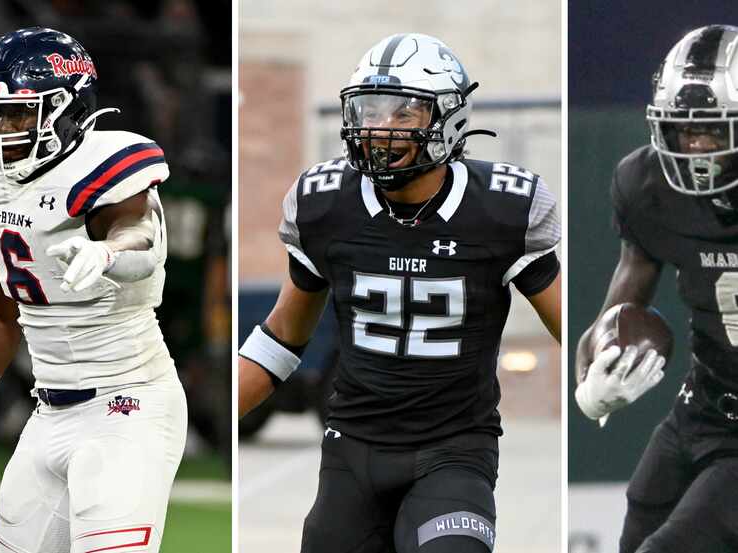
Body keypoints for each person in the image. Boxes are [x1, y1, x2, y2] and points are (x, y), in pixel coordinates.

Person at [239, 33, 561, 553]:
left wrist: (603, 359)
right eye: (369, 110)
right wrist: (180, 424)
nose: (378, 129)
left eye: (401, 114)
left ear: (447, 120)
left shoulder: (501, 210)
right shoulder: (326, 205)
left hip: (454, 451)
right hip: (353, 453)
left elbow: (573, 327)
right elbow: (281, 339)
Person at [0, 27, 187, 553]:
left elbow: (139, 236)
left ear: (64, 110)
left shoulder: (107, 167)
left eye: (16, 114)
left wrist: (106, 252)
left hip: (128, 405)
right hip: (49, 413)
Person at [574, 24, 738, 553]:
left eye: (712, 132)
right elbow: (618, 312)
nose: (695, 148)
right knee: (639, 526)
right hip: (707, 402)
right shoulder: (647, 187)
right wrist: (591, 385)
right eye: (682, 131)